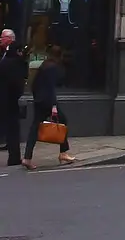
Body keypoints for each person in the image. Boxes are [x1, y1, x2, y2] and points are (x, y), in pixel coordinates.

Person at [23, 48, 75, 169]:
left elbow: (34, 85)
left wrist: (37, 97)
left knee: (35, 127)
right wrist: (53, 106)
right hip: (47, 101)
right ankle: (63, 153)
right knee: (63, 121)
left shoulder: (44, 66)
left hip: (39, 101)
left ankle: (27, 157)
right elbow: (50, 88)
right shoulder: (52, 68)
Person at [1, 28, 28, 168]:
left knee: (11, 128)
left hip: (8, 99)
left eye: (2, 37)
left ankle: (14, 156)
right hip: (8, 99)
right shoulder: (11, 59)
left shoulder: (11, 60)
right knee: (12, 129)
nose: (0, 39)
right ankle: (14, 155)